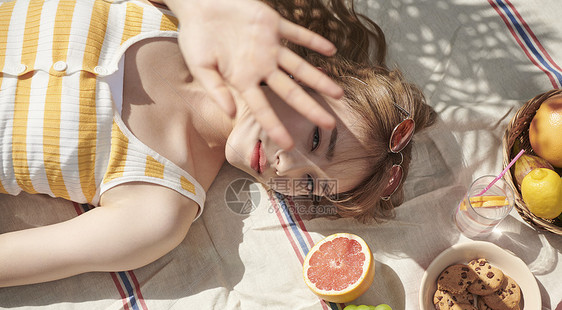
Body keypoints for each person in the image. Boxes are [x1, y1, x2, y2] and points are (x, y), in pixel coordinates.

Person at [0, 0, 435, 287]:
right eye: (317, 138)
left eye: (308, 183)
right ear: (314, 79)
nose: (285, 167)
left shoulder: (158, 214)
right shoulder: (193, 21)